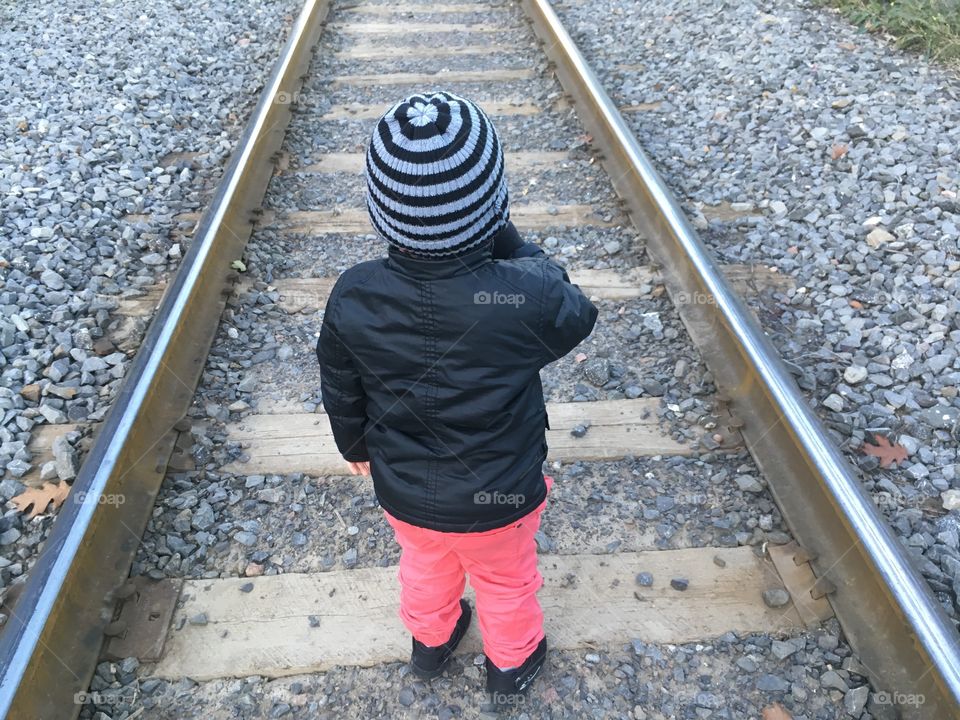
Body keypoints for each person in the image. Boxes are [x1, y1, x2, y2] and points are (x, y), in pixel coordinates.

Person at [316, 90, 598, 709]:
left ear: (380, 211)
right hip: (501, 497)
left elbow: (339, 381)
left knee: (425, 564)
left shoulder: (354, 293)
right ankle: (512, 664)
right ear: (495, 205)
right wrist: (511, 242)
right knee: (505, 579)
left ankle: (431, 643)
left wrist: (354, 445)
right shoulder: (524, 298)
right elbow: (575, 309)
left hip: (404, 491)